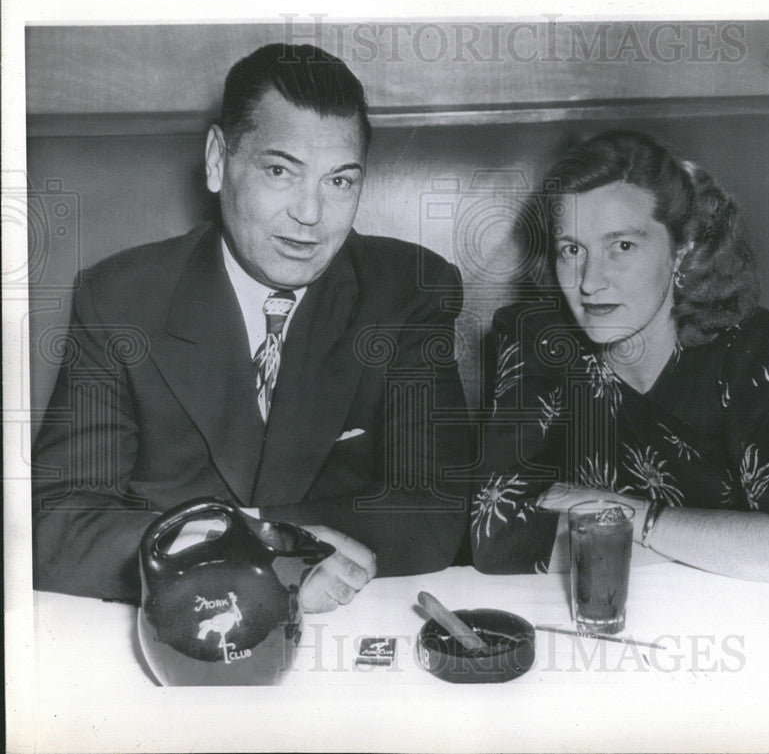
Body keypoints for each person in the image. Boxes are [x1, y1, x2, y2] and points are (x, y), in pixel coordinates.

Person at [32, 43, 471, 610]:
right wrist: (262, 551)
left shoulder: (408, 292)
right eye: (280, 171)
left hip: (348, 623)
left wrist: (249, 539)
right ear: (218, 161)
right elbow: (56, 521)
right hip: (180, 622)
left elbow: (435, 511)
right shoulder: (120, 300)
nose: (310, 215)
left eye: (339, 182)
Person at [471, 130, 769, 585]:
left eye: (622, 246)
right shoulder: (536, 340)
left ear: (683, 250)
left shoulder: (741, 344)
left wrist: (627, 515)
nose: (590, 281)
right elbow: (495, 539)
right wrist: (705, 545)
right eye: (572, 250)